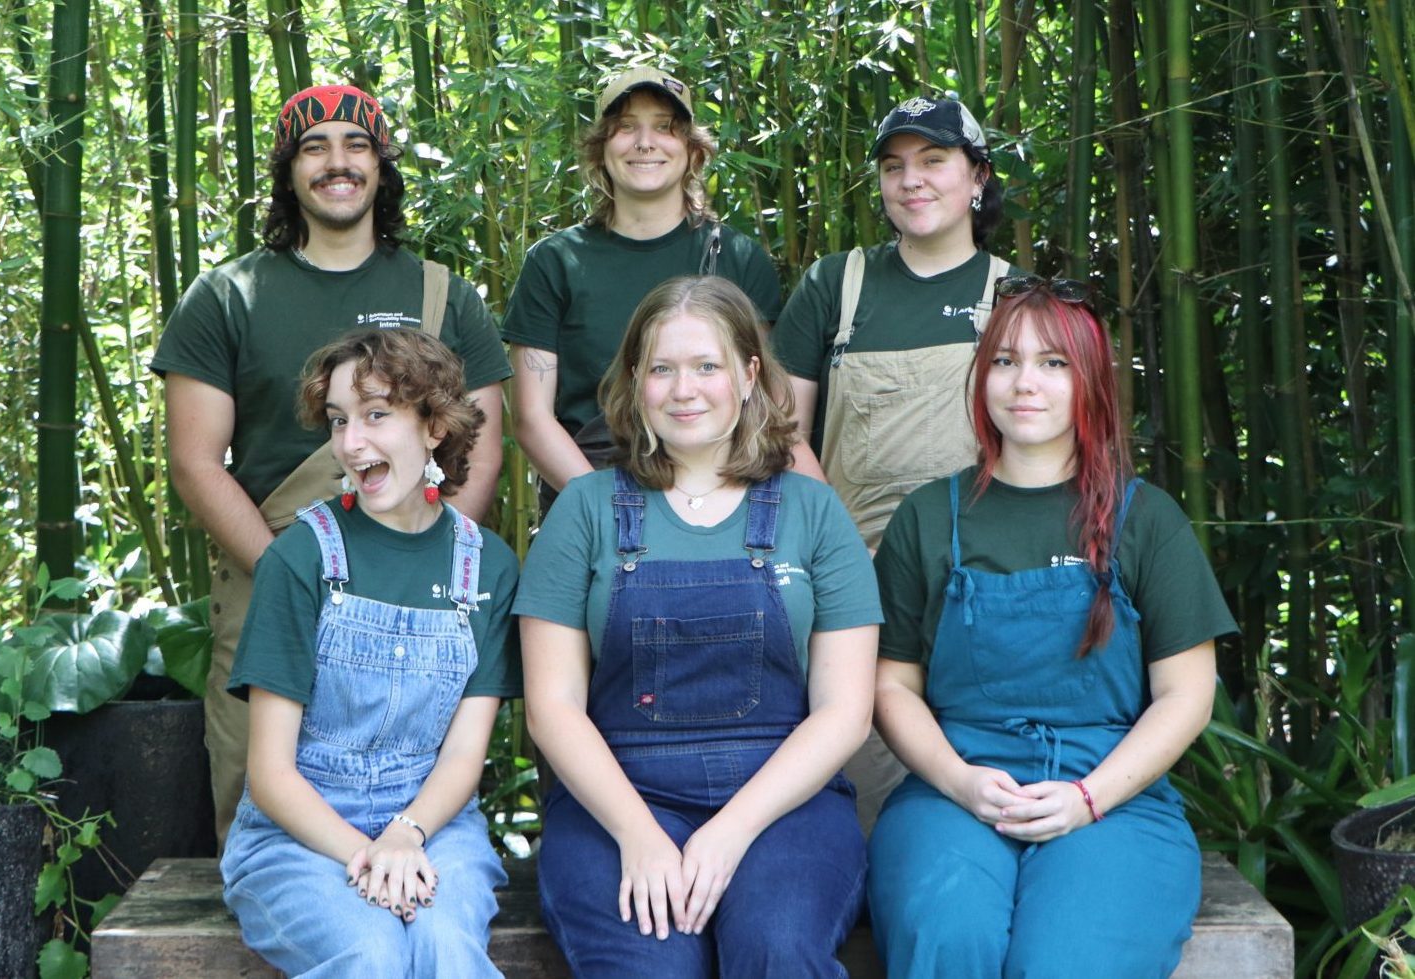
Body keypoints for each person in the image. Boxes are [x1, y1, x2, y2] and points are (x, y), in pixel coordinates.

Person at [151, 83, 512, 844]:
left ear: (382, 164)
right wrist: (296, 573)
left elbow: (480, 449)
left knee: (420, 796)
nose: (337, 162)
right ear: (288, 171)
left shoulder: (443, 296)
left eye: (356, 144)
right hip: (271, 561)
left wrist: (433, 558)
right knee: (257, 801)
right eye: (314, 147)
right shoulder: (227, 295)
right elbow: (193, 462)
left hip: (420, 575)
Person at [866, 276, 1234, 978]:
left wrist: (1089, 796)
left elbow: (1187, 693)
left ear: (1090, 378)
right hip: (958, 791)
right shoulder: (927, 516)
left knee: (1064, 960)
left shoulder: (1146, 518)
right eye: (1004, 360)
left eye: (1052, 362)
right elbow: (892, 686)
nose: (1023, 382)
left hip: (1112, 798)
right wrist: (959, 780)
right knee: (949, 934)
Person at [516, 276, 880, 976]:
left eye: (707, 365)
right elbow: (552, 707)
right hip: (618, 795)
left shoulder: (813, 511)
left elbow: (844, 712)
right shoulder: (585, 510)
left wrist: (733, 829)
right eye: (661, 368)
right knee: (648, 964)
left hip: (782, 799)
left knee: (777, 947)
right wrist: (638, 833)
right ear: (634, 381)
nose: (684, 389)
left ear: (748, 375)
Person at [220, 327, 521, 976]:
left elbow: (465, 755)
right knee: (373, 951)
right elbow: (271, 776)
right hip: (300, 835)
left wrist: (406, 834)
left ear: (435, 425)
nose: (351, 443)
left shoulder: (487, 568)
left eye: (376, 414)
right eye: (338, 420)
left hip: (435, 823)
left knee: (447, 951)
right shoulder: (299, 559)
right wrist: (370, 852)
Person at [770, 94, 1015, 833]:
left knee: (981, 791)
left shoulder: (1012, 295)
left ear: (977, 177)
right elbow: (780, 430)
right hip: (855, 579)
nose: (911, 180)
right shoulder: (836, 285)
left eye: (933, 161)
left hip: (986, 580)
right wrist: (842, 555)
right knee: (866, 795)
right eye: (893, 166)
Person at [503, 66, 782, 510]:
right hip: (590, 491)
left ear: (692, 151)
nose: (645, 143)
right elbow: (531, 418)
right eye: (625, 128)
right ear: (600, 149)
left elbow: (766, 402)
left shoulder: (738, 259)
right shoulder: (555, 262)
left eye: (665, 128)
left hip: (718, 500)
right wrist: (604, 509)